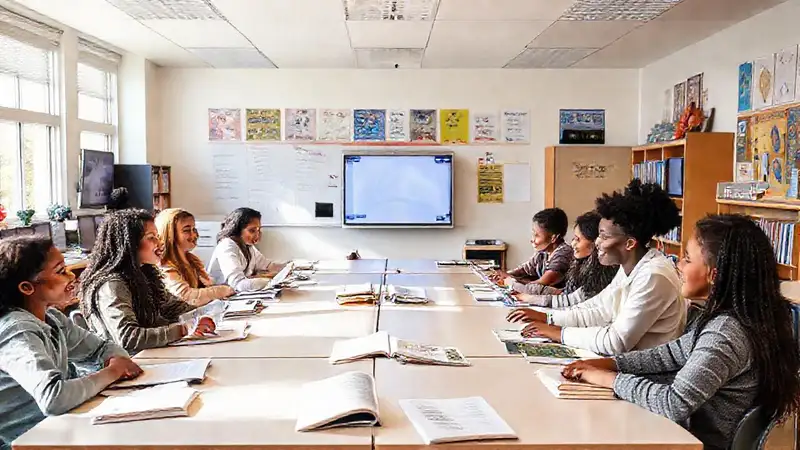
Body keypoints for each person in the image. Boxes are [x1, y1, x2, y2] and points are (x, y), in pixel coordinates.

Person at [562, 215, 800, 450]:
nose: (679, 265)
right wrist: (610, 363)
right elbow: (668, 355)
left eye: (687, 258)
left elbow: (673, 403)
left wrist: (608, 378)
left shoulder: (726, 332)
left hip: (694, 443)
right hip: (683, 436)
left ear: (713, 276)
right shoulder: (730, 317)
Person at [507, 179, 686, 355]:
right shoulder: (631, 266)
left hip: (641, 371)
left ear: (629, 243)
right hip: (621, 361)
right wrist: (550, 318)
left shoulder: (653, 276)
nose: (597, 243)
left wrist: (558, 333)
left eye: (604, 237)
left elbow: (616, 341)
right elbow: (600, 308)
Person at [0, 237, 142, 449]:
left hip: (64, 429)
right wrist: (112, 372)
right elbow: (54, 398)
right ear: (27, 287)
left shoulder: (53, 319)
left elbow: (104, 348)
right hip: (29, 441)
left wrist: (114, 360)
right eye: (60, 271)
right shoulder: (17, 331)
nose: (71, 276)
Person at [79, 209, 215, 355]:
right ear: (130, 243)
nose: (159, 242)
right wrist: (183, 329)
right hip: (131, 364)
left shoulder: (145, 273)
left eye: (157, 236)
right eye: (151, 237)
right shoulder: (112, 284)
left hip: (154, 356)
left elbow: (174, 307)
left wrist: (209, 314)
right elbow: (127, 338)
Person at [514, 211, 618, 308]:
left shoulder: (597, 271)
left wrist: (512, 284)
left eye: (577, 239)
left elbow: (571, 301)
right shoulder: (582, 263)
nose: (572, 244)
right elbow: (565, 294)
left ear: (594, 243)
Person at [155, 208, 235, 306]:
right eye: (187, 230)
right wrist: (222, 290)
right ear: (170, 235)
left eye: (194, 229)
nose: (194, 235)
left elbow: (207, 287)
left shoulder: (192, 260)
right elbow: (185, 297)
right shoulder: (165, 266)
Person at [490, 208, 573, 292]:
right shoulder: (543, 253)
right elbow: (524, 270)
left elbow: (541, 284)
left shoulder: (563, 254)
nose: (532, 240)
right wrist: (503, 274)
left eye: (536, 235)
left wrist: (509, 279)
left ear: (553, 238)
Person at [207, 208, 286, 292]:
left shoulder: (247, 246)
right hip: (220, 297)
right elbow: (238, 284)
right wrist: (272, 282)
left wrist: (290, 266)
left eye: (258, 230)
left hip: (235, 295)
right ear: (238, 229)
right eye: (252, 231)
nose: (257, 235)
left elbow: (268, 266)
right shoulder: (227, 247)